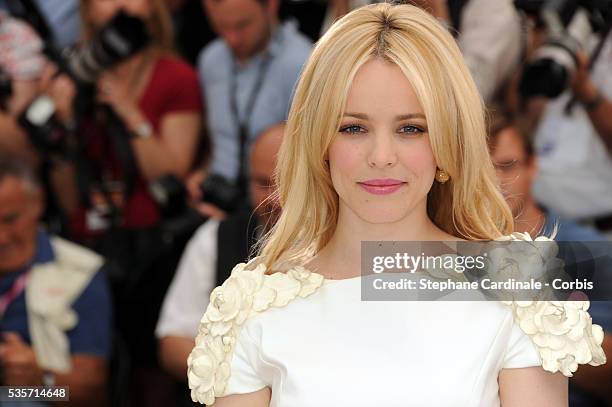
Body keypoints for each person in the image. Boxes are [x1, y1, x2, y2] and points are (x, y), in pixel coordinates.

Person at [186, 4, 606, 406]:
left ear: (447, 143)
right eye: (353, 127)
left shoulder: (518, 289)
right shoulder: (254, 305)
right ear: (319, 144)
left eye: (410, 128)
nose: (382, 155)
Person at [487, 109, 612, 406]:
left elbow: (608, 373)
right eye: (482, 169)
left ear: (534, 165)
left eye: (507, 166)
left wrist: (533, 323)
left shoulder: (590, 251)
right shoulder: (453, 247)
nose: (495, 182)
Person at [156, 122, 283, 383]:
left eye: (288, 182)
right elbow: (172, 342)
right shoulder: (216, 235)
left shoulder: (358, 235)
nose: (274, 198)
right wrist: (241, 378)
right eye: (263, 183)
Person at [0, 154, 112, 406]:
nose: (2, 237)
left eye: (10, 219)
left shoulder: (79, 272)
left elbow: (91, 394)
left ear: (37, 202)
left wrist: (41, 380)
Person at [197, 0, 311, 214]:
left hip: (275, 205)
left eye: (242, 25)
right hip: (216, 199)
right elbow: (217, 141)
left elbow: (310, 157)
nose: (232, 38)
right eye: (222, 27)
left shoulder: (303, 63)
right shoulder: (211, 60)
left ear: (271, 6)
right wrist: (201, 174)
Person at [531, 31, 612, 234]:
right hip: (532, 218)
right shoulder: (575, 20)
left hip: (593, 231)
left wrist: (585, 91)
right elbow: (519, 120)